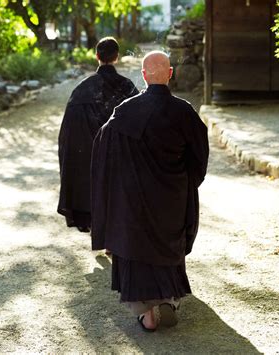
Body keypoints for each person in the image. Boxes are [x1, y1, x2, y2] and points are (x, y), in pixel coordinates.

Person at [91, 51, 209, 331]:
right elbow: (199, 160)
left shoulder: (125, 111)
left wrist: (119, 189)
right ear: (170, 74)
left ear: (144, 76)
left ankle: (147, 312)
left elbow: (103, 151)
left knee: (136, 249)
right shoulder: (185, 112)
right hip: (172, 198)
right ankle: (169, 298)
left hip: (133, 202)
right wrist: (183, 183)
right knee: (169, 248)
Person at [58, 37, 139, 232]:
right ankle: (114, 238)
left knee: (96, 189)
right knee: (117, 193)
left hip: (90, 155)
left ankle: (98, 228)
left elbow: (67, 133)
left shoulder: (81, 90)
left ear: (97, 56)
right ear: (116, 57)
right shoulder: (127, 87)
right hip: (119, 154)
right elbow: (139, 122)